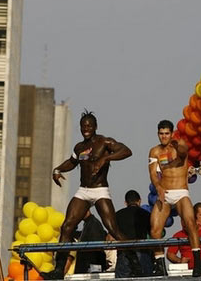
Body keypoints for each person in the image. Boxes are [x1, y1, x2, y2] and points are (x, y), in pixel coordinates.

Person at [41, 110, 141, 280]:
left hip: (100, 189)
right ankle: (58, 270)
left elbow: (127, 151)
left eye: (89, 125)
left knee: (112, 228)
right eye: (83, 126)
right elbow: (72, 162)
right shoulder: (79, 147)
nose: (86, 128)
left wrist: (105, 159)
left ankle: (134, 261)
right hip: (84, 190)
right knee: (67, 226)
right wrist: (57, 169)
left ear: (95, 127)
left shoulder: (104, 141)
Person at [148, 120, 201, 277]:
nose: (164, 136)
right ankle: (160, 264)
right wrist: (158, 188)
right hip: (164, 192)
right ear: (158, 134)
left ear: (171, 133)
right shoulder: (154, 151)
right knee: (155, 229)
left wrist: (176, 144)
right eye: (161, 133)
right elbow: (152, 173)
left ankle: (197, 261)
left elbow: (184, 151)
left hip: (180, 192)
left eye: (166, 133)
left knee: (190, 222)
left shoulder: (179, 145)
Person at [115, 190, 153, 277]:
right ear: (139, 201)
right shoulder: (146, 214)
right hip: (143, 253)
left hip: (123, 254)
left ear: (125, 202)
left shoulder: (117, 215)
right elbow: (153, 233)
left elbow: (111, 236)